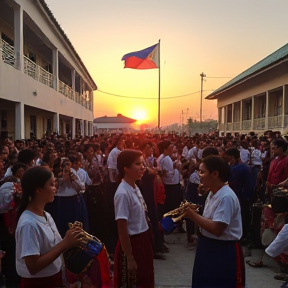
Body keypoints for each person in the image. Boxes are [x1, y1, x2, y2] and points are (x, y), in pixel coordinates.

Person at [15, 166, 85, 288]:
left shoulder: (46, 215)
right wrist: (65, 243)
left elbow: (52, 249)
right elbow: (33, 266)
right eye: (51, 184)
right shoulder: (28, 224)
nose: (55, 188)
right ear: (38, 190)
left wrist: (71, 237)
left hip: (54, 279)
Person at [185, 156, 245, 288]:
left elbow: (217, 229)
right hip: (208, 246)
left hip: (222, 251)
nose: (199, 176)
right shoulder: (214, 193)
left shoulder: (226, 197)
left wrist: (192, 215)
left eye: (202, 172)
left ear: (215, 174)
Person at [114, 149, 154, 288]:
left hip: (143, 240)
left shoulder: (135, 187)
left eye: (142, 163)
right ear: (126, 168)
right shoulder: (123, 193)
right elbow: (122, 228)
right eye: (138, 164)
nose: (143, 167)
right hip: (132, 244)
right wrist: (130, 257)